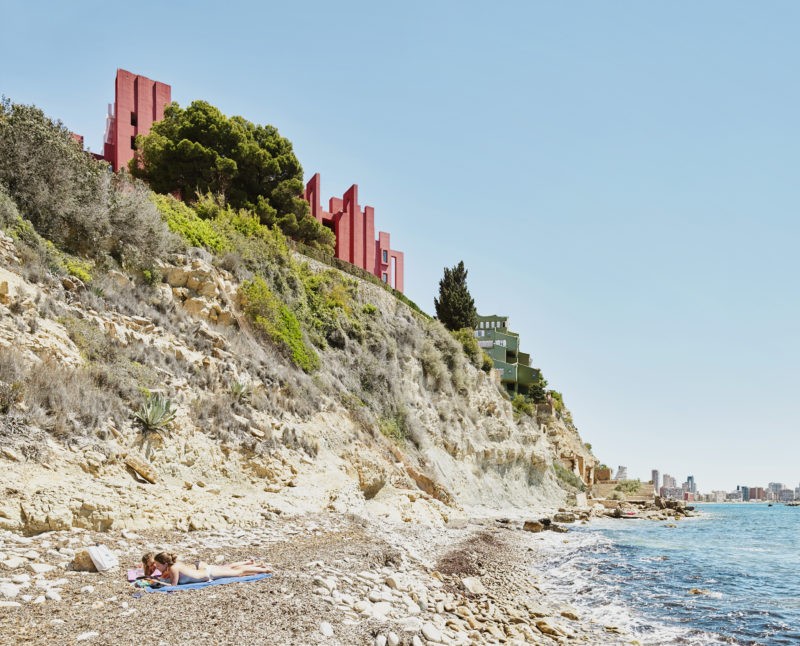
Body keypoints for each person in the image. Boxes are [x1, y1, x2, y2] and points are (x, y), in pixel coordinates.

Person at [153, 552, 272, 586]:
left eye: (158, 565)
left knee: (238, 573)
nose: (157, 568)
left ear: (164, 563)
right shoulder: (174, 566)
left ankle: (265, 570)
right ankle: (259, 567)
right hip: (207, 573)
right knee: (235, 572)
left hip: (209, 573)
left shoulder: (173, 568)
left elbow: (173, 586)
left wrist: (157, 582)